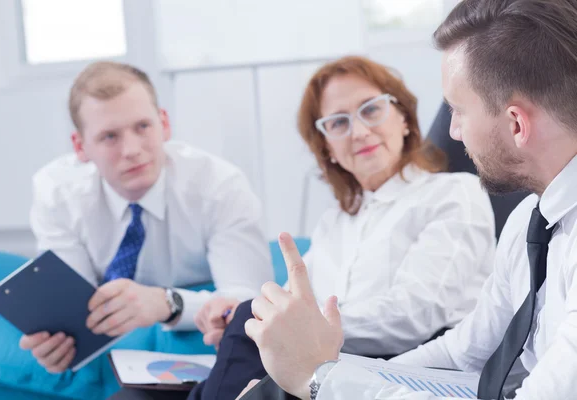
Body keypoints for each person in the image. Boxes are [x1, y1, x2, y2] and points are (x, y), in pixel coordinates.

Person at [239, 0, 577, 399]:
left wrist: (320, 381)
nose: (452, 132)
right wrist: (311, 377)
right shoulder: (529, 220)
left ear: (516, 123)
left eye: (458, 111)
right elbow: (462, 352)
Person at [111, 55, 497, 400]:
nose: (359, 131)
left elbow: (416, 314)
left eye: (371, 110)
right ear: (327, 145)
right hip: (313, 364)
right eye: (338, 122)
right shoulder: (335, 222)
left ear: (403, 118)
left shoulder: (453, 193)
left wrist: (293, 325)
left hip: (397, 368)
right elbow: (292, 298)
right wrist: (246, 312)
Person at [18, 61, 273, 374]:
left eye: (142, 127)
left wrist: (167, 303)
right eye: (109, 136)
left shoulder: (219, 186)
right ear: (80, 147)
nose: (132, 150)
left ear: (164, 123)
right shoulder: (57, 193)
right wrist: (59, 341)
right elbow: (75, 309)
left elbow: (247, 305)